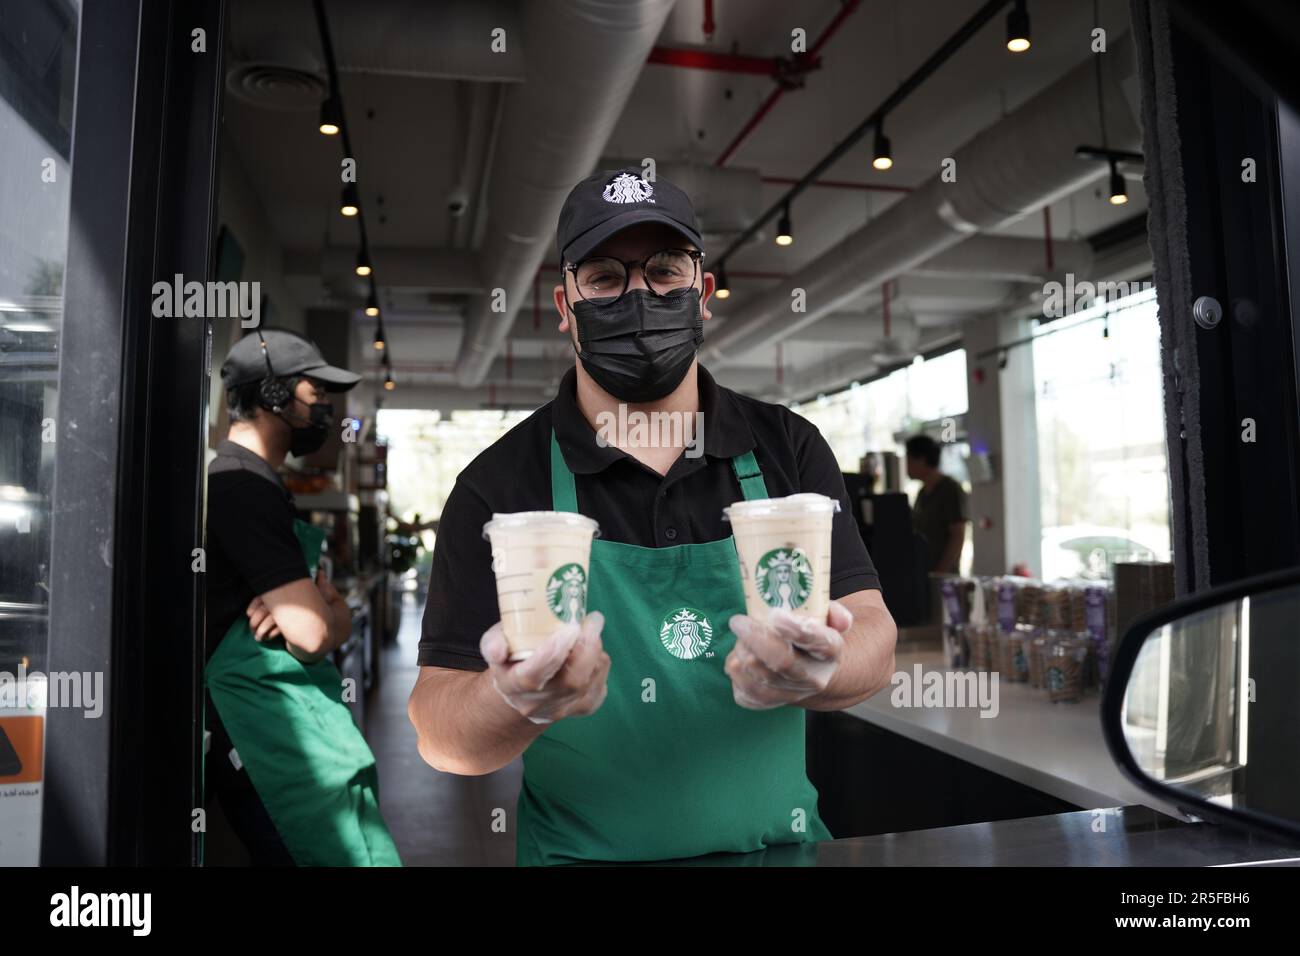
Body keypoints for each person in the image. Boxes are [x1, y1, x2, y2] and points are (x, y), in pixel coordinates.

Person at [408, 167, 898, 866]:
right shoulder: (500, 485)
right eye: (605, 277)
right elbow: (439, 733)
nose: (640, 294)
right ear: (564, 303)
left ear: (702, 293)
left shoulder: (786, 450)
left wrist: (824, 667)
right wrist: (512, 698)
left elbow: (873, 635)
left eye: (666, 269)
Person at [205, 328, 400, 866]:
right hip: (261, 726)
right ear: (273, 396)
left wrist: (320, 610)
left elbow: (310, 617)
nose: (327, 414)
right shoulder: (242, 486)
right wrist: (327, 613)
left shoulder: (263, 482)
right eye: (317, 398)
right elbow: (312, 633)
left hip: (278, 714)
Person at [904, 434, 968, 574]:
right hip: (923, 573)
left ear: (921, 460)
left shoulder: (950, 489)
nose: (906, 467)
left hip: (943, 578)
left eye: (909, 461)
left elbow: (958, 535)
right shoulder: (922, 493)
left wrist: (940, 573)